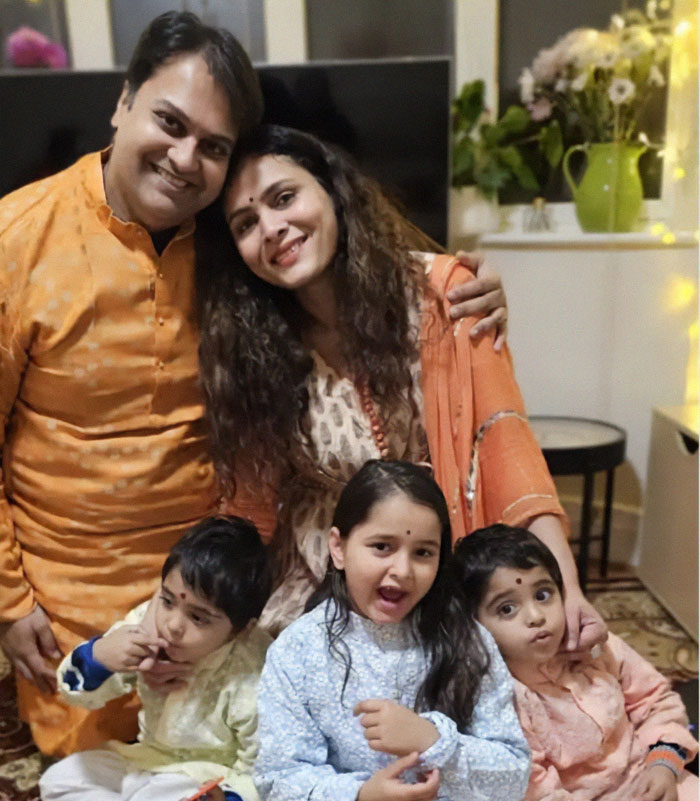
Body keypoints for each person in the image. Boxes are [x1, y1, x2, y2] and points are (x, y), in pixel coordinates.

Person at [0, 12, 508, 756]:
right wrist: (11, 603)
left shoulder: (232, 242)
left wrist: (465, 283)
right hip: (75, 592)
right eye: (169, 123)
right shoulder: (16, 240)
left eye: (213, 147)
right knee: (106, 765)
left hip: (238, 576)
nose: (184, 160)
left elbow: (356, 267)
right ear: (123, 102)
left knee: (279, 751)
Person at [196, 123, 605, 651]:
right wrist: (195, 616)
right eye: (246, 223)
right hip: (322, 587)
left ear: (334, 191)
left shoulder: (447, 296)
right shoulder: (252, 348)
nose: (272, 227)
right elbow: (248, 513)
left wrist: (566, 587)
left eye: (285, 197)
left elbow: (504, 445)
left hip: (443, 564)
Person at [254, 459, 534, 801]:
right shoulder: (297, 652)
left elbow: (512, 780)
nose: (402, 571)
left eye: (423, 552)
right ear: (338, 548)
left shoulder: (467, 640)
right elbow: (279, 780)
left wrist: (434, 743)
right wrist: (363, 799)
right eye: (382, 546)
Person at [454, 524, 698, 801]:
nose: (535, 616)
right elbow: (542, 798)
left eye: (543, 595)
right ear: (475, 627)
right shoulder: (500, 702)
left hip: (659, 787)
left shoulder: (593, 650)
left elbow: (655, 699)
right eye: (507, 609)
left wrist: (664, 765)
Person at [39, 515, 272, 801]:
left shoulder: (256, 671)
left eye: (198, 618)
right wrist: (100, 657)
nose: (172, 625)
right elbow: (74, 694)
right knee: (58, 783)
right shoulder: (147, 625)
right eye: (167, 600)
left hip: (204, 780)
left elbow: (266, 775)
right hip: (143, 759)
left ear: (240, 630)